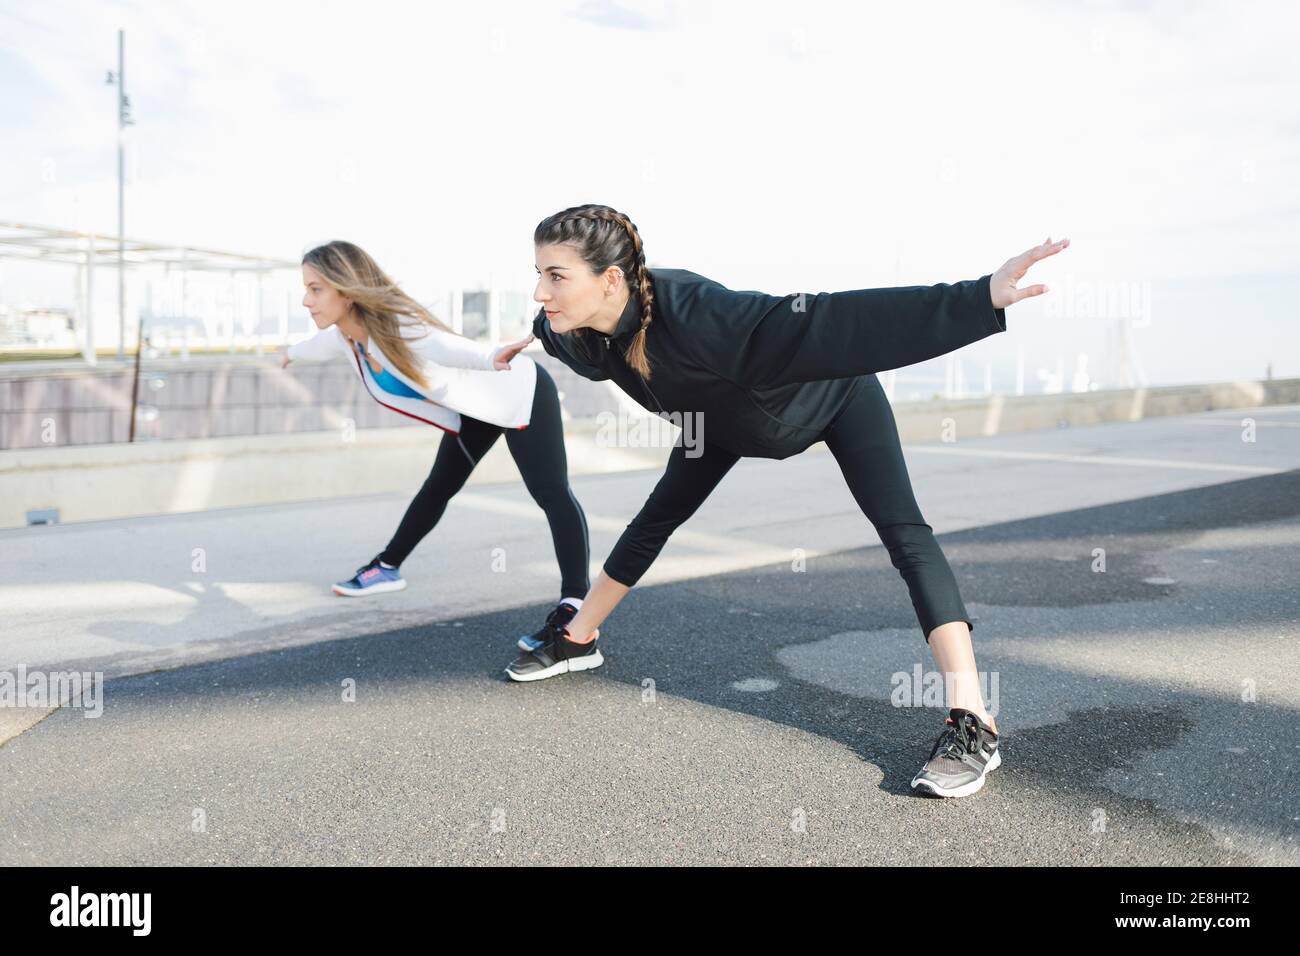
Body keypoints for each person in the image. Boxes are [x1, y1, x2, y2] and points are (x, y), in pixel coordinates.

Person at [493, 204, 1069, 797]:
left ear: (609, 279)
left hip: (832, 402)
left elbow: (828, 319)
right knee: (654, 519)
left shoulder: (699, 313)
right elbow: (550, 332)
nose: (541, 291)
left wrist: (977, 298)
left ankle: (973, 719)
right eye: (538, 273)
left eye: (556, 276)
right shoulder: (584, 337)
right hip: (716, 424)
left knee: (904, 533)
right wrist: (528, 340)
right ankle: (578, 638)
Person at [283, 240, 591, 649]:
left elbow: (442, 345)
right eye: (306, 289)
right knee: (439, 486)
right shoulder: (346, 337)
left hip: (518, 392)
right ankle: (387, 567)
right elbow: (314, 347)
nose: (307, 300)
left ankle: (576, 602)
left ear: (346, 289)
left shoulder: (397, 326)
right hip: (475, 410)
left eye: (316, 289)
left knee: (551, 493)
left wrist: (491, 356)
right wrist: (288, 354)